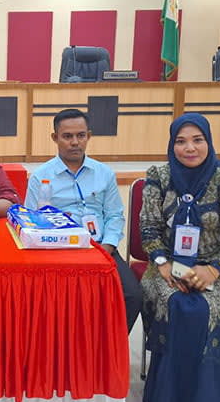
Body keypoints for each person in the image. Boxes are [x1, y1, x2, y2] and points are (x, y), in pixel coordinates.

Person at [140, 113, 220, 402]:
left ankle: (205, 394)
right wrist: (162, 263)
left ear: (209, 142)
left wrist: (213, 270)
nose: (189, 148)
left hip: (219, 267)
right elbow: (149, 228)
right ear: (172, 145)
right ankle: (167, 393)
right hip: (167, 263)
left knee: (204, 310)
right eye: (180, 141)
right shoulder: (159, 177)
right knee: (178, 305)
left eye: (197, 140)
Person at [25, 108, 142, 332]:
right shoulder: (41, 176)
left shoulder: (104, 173)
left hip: (101, 248)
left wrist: (106, 248)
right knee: (60, 299)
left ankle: (108, 347)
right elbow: (31, 222)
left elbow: (115, 215)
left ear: (88, 136)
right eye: (67, 136)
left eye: (80, 135)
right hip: (60, 250)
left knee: (131, 295)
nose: (75, 142)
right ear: (55, 138)